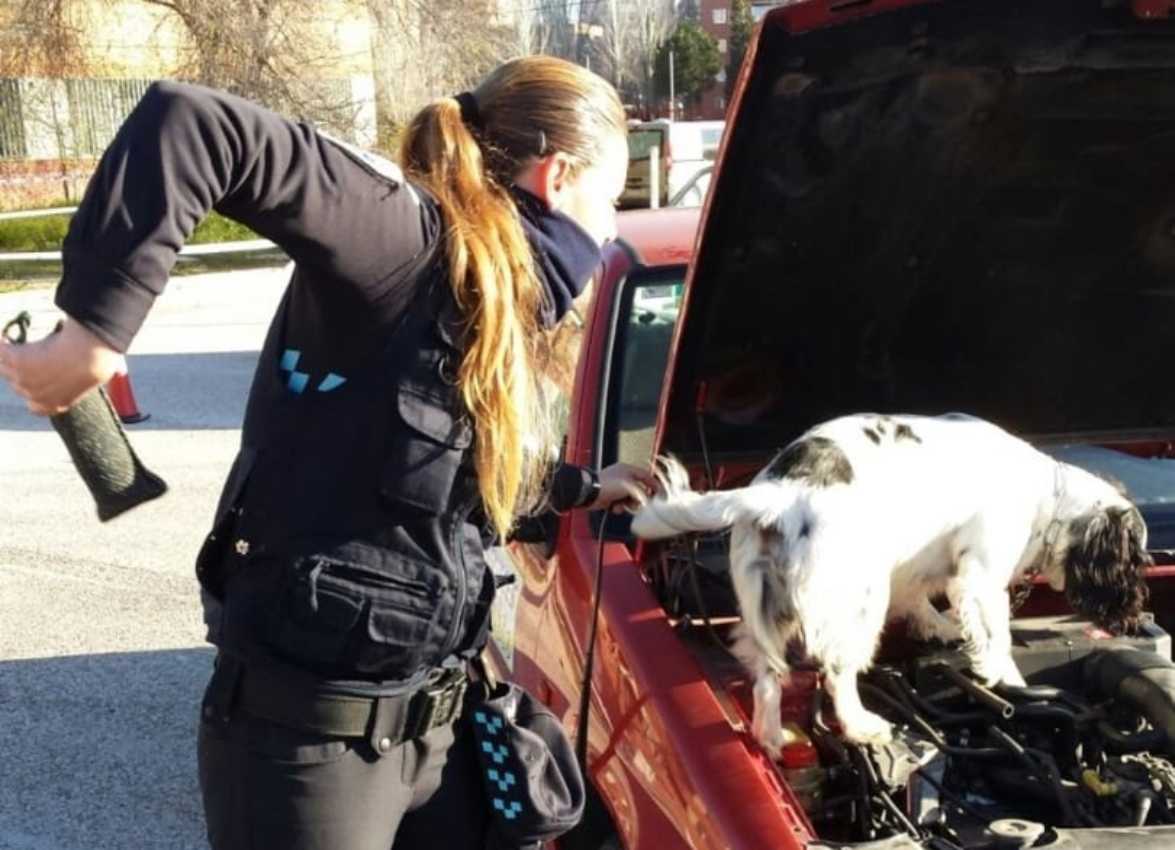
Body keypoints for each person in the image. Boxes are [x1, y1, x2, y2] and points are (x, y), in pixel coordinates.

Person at [0, 56, 656, 850]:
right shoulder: (408, 242)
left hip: (440, 730)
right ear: (556, 177)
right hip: (307, 747)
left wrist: (590, 487)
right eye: (610, 198)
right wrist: (93, 332)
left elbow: (457, 476)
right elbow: (196, 124)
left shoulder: (499, 308)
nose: (612, 226)